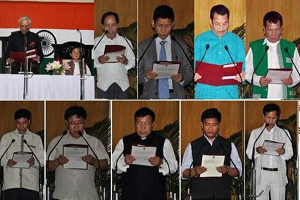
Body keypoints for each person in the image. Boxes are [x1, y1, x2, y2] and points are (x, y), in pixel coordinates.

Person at [112, 107, 178, 200]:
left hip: (155, 193)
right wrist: (124, 160)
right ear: (135, 124)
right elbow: (113, 164)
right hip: (130, 193)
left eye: (146, 123)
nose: (142, 127)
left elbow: (174, 167)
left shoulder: (163, 142)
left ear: (152, 124)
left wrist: (161, 163)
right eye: (139, 123)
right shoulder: (125, 141)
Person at [47, 106, 110, 200]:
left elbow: (105, 164)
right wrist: (58, 161)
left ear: (84, 122)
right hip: (63, 195)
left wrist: (93, 161)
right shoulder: (56, 141)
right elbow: (48, 166)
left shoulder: (94, 142)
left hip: (87, 195)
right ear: (66, 123)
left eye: (79, 123)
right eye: (72, 123)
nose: (76, 127)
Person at [181, 108, 242, 200]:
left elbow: (239, 171)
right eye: (207, 125)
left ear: (219, 125)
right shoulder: (193, 145)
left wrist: (227, 169)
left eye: (214, 125)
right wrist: (195, 171)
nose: (210, 128)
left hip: (222, 194)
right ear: (202, 125)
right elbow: (183, 172)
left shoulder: (228, 145)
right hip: (200, 194)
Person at [138, 5, 193, 99]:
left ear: (173, 25)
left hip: (176, 95)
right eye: (160, 25)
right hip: (151, 96)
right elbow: (136, 74)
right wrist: (145, 75)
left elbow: (189, 72)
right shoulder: (143, 47)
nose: (163, 30)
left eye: (167, 26)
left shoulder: (181, 46)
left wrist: (182, 77)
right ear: (153, 24)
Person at [194, 4, 245, 99]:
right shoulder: (199, 40)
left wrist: (242, 76)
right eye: (217, 24)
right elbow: (193, 67)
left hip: (229, 95)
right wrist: (194, 74)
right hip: (204, 94)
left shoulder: (237, 42)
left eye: (225, 24)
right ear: (211, 22)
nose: (221, 28)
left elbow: (243, 69)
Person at [245, 11, 300, 99]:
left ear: (282, 29)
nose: (273, 34)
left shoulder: (290, 48)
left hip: (284, 96)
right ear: (264, 29)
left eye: (277, 30)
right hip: (260, 95)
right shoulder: (255, 47)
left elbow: (298, 71)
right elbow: (247, 71)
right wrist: (258, 80)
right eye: (270, 30)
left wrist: (292, 80)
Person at [246, 103, 293, 200]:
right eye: (268, 117)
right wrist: (257, 150)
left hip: (278, 174)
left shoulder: (284, 133)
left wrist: (283, 152)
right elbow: (249, 153)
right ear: (263, 116)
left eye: (274, 118)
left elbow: (290, 153)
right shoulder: (256, 133)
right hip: (261, 174)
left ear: (277, 117)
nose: (271, 121)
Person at [0, 109, 44, 200]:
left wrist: (34, 162)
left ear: (29, 122)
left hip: (31, 186)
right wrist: (8, 162)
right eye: (18, 123)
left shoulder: (36, 138)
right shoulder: (6, 138)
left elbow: (42, 161)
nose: (21, 126)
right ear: (15, 122)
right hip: (11, 185)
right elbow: (1, 158)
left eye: (24, 123)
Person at [94, 11, 135, 99]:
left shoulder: (126, 41)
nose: (110, 28)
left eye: (113, 24)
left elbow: (133, 62)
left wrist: (126, 61)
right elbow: (90, 63)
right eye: (107, 25)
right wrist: (99, 60)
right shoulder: (96, 42)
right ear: (103, 26)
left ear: (118, 25)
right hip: (103, 85)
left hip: (123, 85)